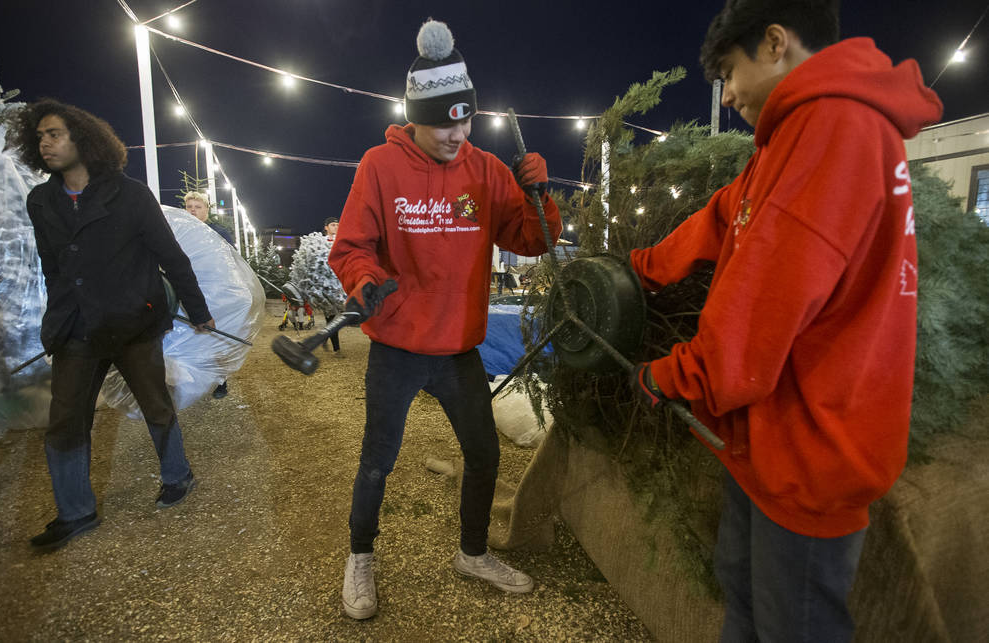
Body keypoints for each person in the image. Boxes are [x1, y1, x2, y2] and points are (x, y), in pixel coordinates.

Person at [627, 1, 943, 640]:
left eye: (729, 72)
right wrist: (643, 267)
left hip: (813, 443)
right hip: (771, 436)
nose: (730, 94)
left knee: (792, 623)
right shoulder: (795, 133)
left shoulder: (837, 127)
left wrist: (678, 374)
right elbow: (729, 215)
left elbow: (767, 293)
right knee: (744, 597)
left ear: (774, 42)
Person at [328, 19, 562, 620]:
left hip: (459, 349)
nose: (456, 133)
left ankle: (473, 551)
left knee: (484, 454)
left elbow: (532, 239)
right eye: (442, 122)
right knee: (378, 459)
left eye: (465, 119)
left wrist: (540, 192)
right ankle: (360, 557)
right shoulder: (380, 166)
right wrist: (365, 280)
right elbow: (351, 247)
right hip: (399, 348)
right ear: (416, 117)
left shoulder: (484, 170)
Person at [12, 99, 215, 551]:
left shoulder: (129, 195)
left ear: (83, 139)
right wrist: (55, 321)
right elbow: (52, 267)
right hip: (76, 331)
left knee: (155, 404)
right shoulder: (42, 201)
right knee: (65, 420)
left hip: (132, 324)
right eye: (40, 136)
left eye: (55, 134)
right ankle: (75, 512)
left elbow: (170, 256)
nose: (45, 143)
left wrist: (199, 312)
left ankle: (177, 475)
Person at [183, 190, 232, 398]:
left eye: (198, 207)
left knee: (215, 334)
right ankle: (193, 379)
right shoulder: (180, 231)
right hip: (187, 289)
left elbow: (230, 260)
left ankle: (221, 381)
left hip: (214, 289)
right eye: (189, 207)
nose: (193, 211)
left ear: (207, 210)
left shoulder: (218, 232)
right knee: (189, 334)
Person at [320, 216, 344, 356]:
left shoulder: (342, 242)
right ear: (326, 227)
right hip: (326, 285)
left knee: (339, 316)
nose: (336, 227)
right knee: (331, 316)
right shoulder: (320, 243)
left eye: (337, 224)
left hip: (341, 284)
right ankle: (337, 349)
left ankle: (324, 336)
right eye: (333, 225)